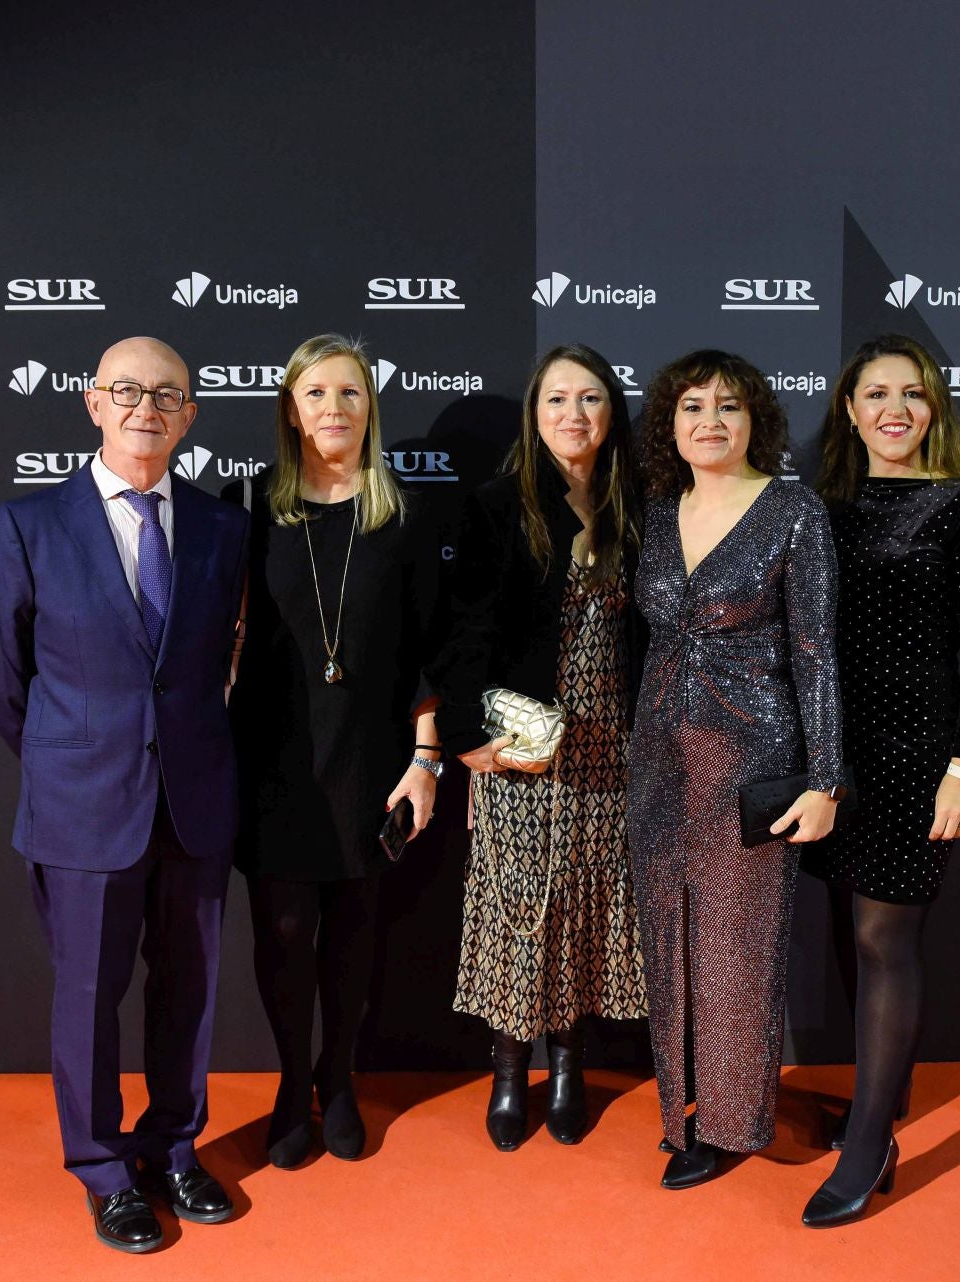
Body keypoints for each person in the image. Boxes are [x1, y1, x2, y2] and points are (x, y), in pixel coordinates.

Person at [0, 337, 249, 1252]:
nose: (145, 407)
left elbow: (224, 665)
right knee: (88, 995)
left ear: (190, 417)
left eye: (166, 394)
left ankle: (173, 1149)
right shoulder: (29, 526)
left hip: (196, 801)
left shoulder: (221, 526)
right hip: (82, 802)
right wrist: (70, 755)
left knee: (190, 990)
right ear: (93, 404)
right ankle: (101, 1172)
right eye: (126, 390)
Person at [801, 334, 960, 1227]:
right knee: (853, 925)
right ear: (848, 409)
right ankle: (879, 1103)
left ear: (935, 410)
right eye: (876, 393)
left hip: (919, 758)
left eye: (913, 395)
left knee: (887, 937)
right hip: (834, 756)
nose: (895, 409)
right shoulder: (821, 505)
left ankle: (869, 1144)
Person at [627, 349, 845, 1190]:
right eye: (691, 407)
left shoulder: (793, 511)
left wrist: (824, 779)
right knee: (668, 935)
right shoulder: (654, 511)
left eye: (727, 406)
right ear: (669, 425)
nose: (709, 422)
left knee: (735, 947)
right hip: (658, 757)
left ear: (756, 420)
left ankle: (729, 1123)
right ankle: (681, 1106)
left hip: (754, 757)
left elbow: (817, 654)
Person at [224, 334, 441, 1170]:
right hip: (273, 755)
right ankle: (289, 1082)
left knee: (353, 932)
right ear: (290, 407)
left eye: (349, 394)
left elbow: (430, 650)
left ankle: (338, 1076)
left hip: (371, 757)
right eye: (315, 394)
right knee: (282, 932)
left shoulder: (403, 516)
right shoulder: (248, 506)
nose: (333, 410)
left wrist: (425, 762)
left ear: (370, 408)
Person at [439, 344, 648, 1150]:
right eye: (556, 399)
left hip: (612, 749)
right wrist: (467, 740)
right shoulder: (499, 506)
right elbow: (462, 635)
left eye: (590, 399)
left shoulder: (638, 509)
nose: (573, 415)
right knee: (521, 908)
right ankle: (506, 1070)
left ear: (611, 414)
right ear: (535, 415)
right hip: (522, 750)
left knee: (584, 908)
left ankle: (569, 1066)